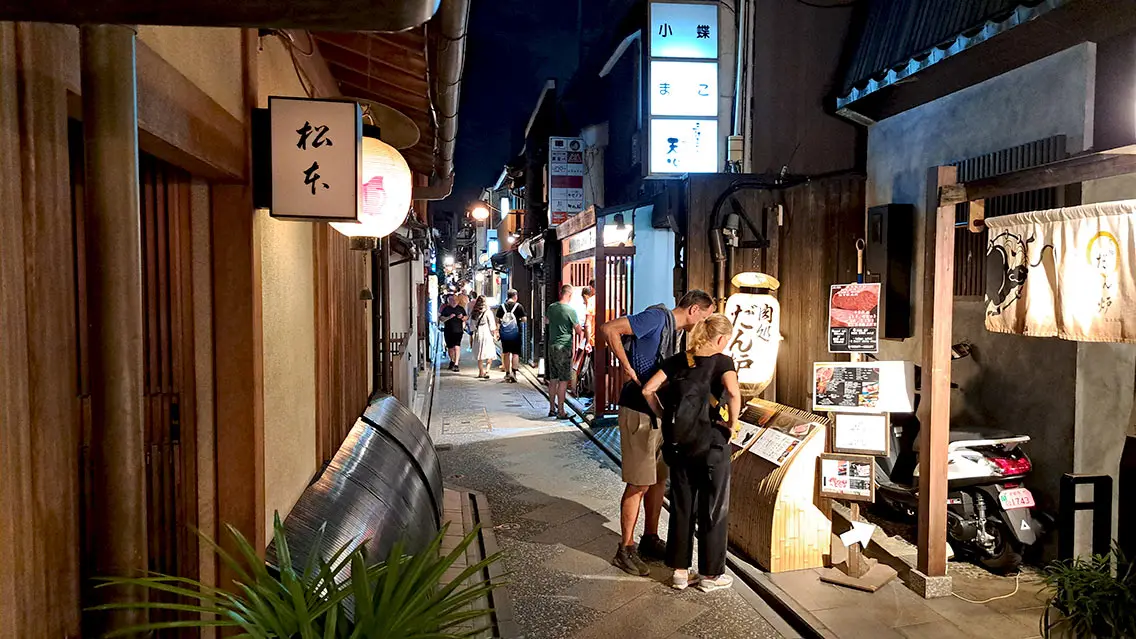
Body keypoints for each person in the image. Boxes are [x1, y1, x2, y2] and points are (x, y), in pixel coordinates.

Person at [600, 289, 715, 576]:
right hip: (639, 408)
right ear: (693, 310)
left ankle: (649, 539)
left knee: (657, 480)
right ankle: (624, 548)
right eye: (705, 316)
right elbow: (609, 328)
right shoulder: (655, 318)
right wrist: (628, 369)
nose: (704, 322)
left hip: (658, 412)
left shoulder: (674, 333)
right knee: (639, 482)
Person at [642, 314, 740, 592]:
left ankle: (680, 573)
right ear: (721, 339)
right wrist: (731, 425)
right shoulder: (723, 362)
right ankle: (710, 575)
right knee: (713, 509)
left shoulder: (678, 360)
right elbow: (733, 392)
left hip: (680, 445)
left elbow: (648, 389)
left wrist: (662, 414)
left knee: (682, 507)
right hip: (711, 444)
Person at [545, 284, 584, 419]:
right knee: (563, 381)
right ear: (569, 295)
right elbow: (579, 330)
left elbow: (547, 322)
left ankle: (551, 409)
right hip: (564, 347)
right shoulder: (570, 311)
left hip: (552, 346)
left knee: (553, 379)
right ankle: (561, 411)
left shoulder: (551, 308)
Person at [496, 289, 527, 383]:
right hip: (515, 333)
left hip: (504, 333)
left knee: (506, 353)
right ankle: (514, 372)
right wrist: (519, 320)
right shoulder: (519, 306)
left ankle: (507, 373)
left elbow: (497, 320)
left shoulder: (502, 307)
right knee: (515, 353)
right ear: (515, 296)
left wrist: (498, 331)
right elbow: (524, 319)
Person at [468, 295, 499, 379]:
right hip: (487, 333)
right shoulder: (488, 312)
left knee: (479, 353)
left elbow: (472, 326)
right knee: (490, 352)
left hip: (478, 334)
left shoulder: (474, 312)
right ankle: (487, 370)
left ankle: (481, 371)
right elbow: (492, 325)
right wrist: (495, 333)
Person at [439, 294, 468, 372]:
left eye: (454, 300)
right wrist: (449, 317)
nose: (453, 301)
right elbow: (441, 319)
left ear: (457, 301)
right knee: (450, 348)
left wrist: (462, 317)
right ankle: (452, 360)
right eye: (451, 300)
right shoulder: (446, 309)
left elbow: (466, 318)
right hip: (448, 331)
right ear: (449, 301)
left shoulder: (461, 309)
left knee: (457, 346)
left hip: (458, 331)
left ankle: (456, 364)